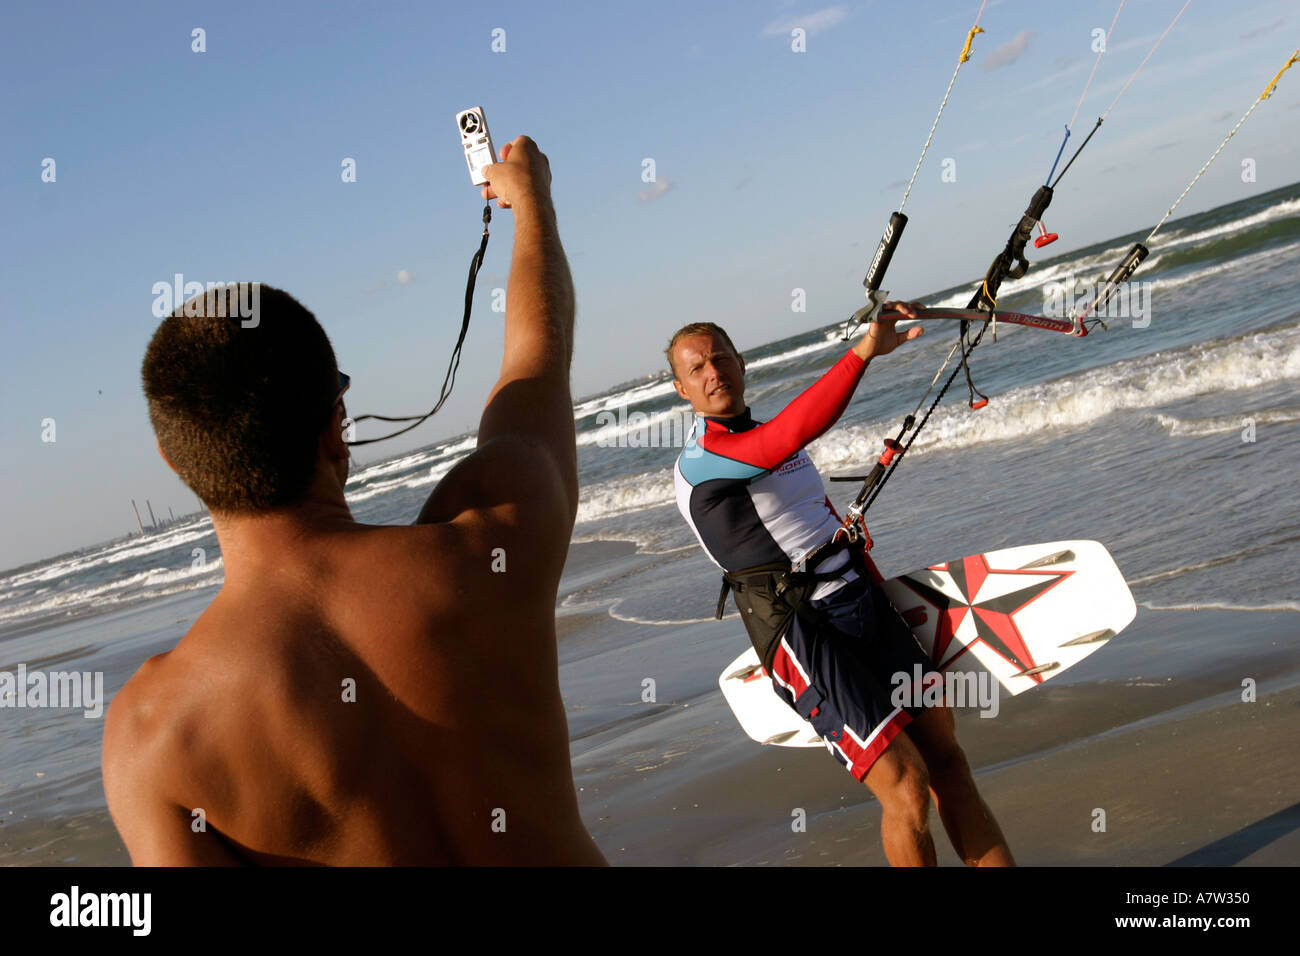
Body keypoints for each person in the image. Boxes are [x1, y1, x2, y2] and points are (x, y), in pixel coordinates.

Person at [103, 136, 606, 865]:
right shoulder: (494, 535)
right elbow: (537, 364)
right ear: (336, 422)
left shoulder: (156, 735)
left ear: (175, 463)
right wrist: (531, 204)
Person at [666, 310, 1014, 866]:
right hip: (801, 633)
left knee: (947, 757)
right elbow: (788, 435)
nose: (713, 371)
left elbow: (816, 514)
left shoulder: (768, 439)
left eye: (720, 357)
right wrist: (863, 353)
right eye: (697, 367)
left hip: (861, 603)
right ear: (683, 390)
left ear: (741, 363)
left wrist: (872, 582)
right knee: (904, 784)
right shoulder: (702, 459)